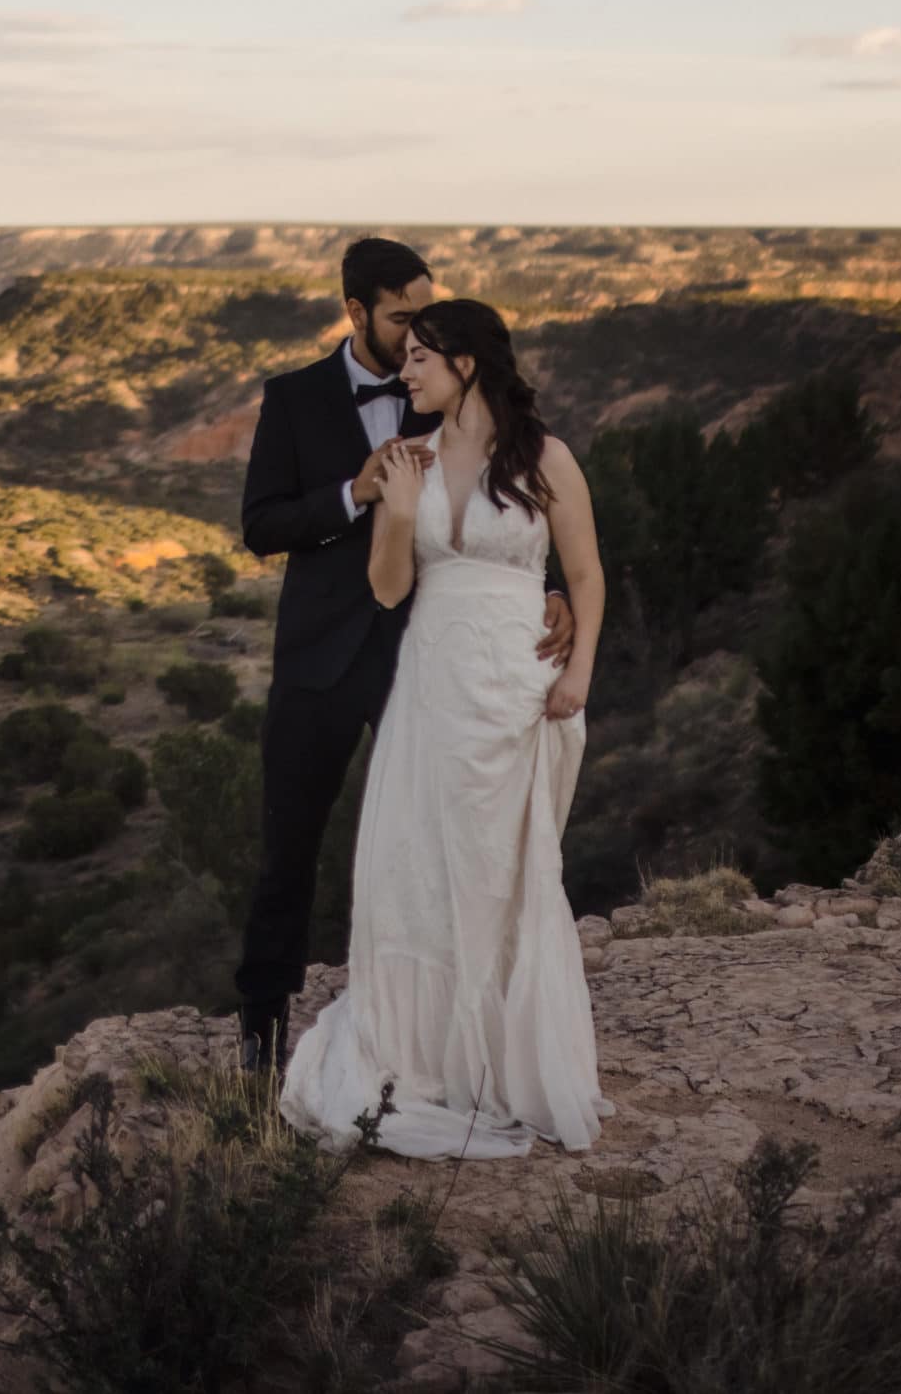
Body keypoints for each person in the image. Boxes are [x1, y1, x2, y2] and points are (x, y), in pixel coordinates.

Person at [278, 297, 612, 1159]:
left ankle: (507, 1057)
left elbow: (585, 573)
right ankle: (429, 1056)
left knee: (503, 869)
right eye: (406, 357)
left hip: (517, 687)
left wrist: (577, 673)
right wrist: (395, 505)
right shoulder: (405, 457)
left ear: (467, 362)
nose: (407, 371)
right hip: (432, 683)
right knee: (420, 862)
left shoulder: (548, 459)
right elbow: (389, 588)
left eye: (422, 357)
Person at [235, 239, 574, 1076]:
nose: (414, 330)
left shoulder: (440, 387)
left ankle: (439, 1026)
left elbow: (517, 489)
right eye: (398, 316)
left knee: (437, 846)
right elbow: (261, 525)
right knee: (290, 851)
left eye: (424, 312)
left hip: (432, 662)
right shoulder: (293, 399)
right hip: (320, 659)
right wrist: (356, 492)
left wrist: (553, 583)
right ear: (354, 311)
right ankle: (261, 1028)